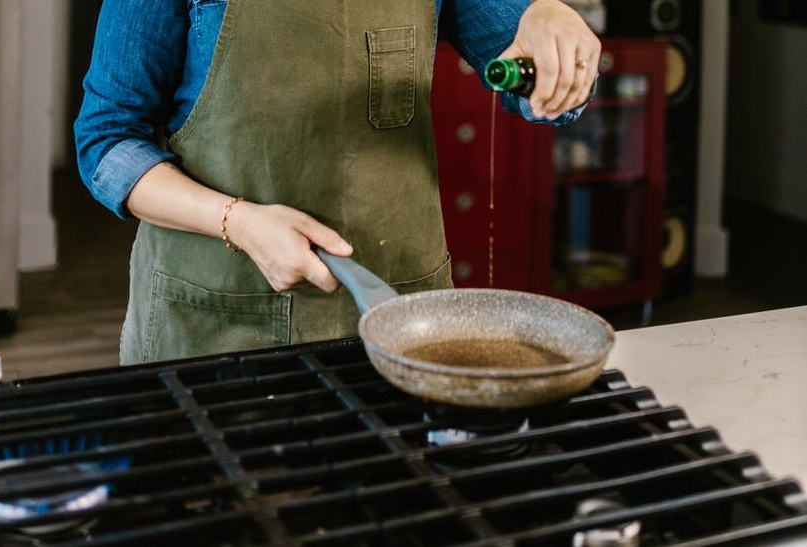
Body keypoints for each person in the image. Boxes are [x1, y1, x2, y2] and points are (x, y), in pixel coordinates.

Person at [74, 0, 601, 365]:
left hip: (397, 324)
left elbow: (531, 74)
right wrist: (237, 220)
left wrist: (555, 39)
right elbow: (107, 143)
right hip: (214, 326)